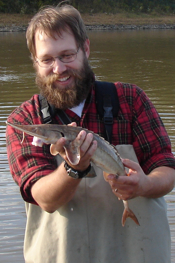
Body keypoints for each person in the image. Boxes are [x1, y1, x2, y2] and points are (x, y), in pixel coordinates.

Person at [6, 3, 175, 263]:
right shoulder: (25, 119)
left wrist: (144, 184)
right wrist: (73, 169)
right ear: (35, 62)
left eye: (67, 55)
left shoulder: (130, 100)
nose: (59, 69)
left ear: (85, 49)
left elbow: (166, 168)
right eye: (47, 59)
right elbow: (43, 198)